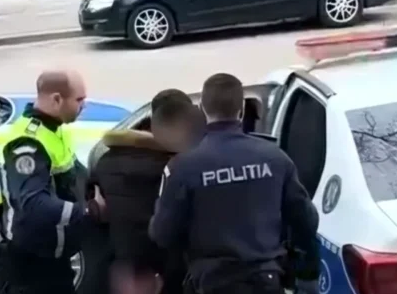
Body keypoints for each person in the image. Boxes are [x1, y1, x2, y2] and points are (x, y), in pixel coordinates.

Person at [149, 73, 320, 294]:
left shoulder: (182, 167)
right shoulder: (275, 158)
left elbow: (162, 234)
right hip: (265, 281)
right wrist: (306, 273)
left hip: (211, 283)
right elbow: (306, 220)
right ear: (241, 109)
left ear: (202, 109)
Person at [0, 69, 105, 294]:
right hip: (33, 259)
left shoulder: (55, 130)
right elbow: (35, 205)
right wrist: (88, 211)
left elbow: (74, 174)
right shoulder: (27, 143)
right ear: (57, 99)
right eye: (79, 100)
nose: (84, 106)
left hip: (54, 255)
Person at [93, 89, 199, 294]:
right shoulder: (180, 168)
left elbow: (98, 208)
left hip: (126, 270)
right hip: (171, 270)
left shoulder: (106, 162)